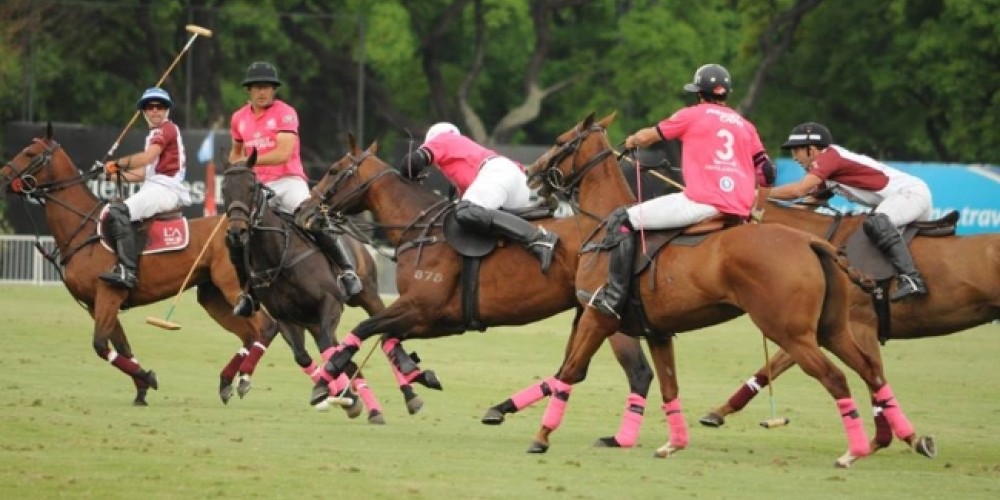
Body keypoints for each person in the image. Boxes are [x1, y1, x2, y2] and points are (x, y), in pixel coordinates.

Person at [590, 63, 774, 318]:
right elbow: (767, 173)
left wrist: (632, 140)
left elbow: (648, 137)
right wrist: (757, 209)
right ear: (726, 94)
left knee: (622, 218)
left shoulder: (692, 115)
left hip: (700, 204)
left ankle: (613, 297)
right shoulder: (746, 126)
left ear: (699, 93)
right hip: (739, 211)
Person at [227, 61, 361, 317]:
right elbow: (235, 151)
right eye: (257, 88)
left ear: (274, 89)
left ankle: (346, 270)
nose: (262, 92)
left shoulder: (285, 113)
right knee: (236, 235)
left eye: (267, 87)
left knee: (311, 220)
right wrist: (237, 168)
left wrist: (247, 162)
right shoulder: (238, 118)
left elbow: (283, 151)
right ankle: (248, 293)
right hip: (257, 187)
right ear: (249, 90)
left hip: (288, 181)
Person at [768, 122, 930, 301]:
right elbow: (805, 206)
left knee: (875, 223)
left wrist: (759, 194)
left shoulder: (829, 158)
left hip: (911, 194)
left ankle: (912, 279)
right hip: (904, 198)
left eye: (795, 150)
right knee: (870, 241)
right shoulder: (827, 173)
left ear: (811, 150)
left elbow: (799, 190)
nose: (794, 157)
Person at [397, 122, 558, 272]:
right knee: (475, 217)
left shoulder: (443, 138)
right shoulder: (464, 163)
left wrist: (407, 177)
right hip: (517, 182)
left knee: (466, 211)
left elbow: (412, 163)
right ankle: (537, 211)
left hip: (498, 172)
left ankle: (538, 238)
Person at [100, 87, 193, 289]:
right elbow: (143, 173)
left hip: (166, 188)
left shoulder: (166, 129)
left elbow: (147, 158)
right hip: (154, 186)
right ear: (144, 112)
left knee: (118, 211)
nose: (155, 111)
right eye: (150, 107)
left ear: (167, 110)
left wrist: (115, 164)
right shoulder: (153, 135)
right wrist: (113, 176)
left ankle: (128, 272)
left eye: (159, 106)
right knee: (115, 211)